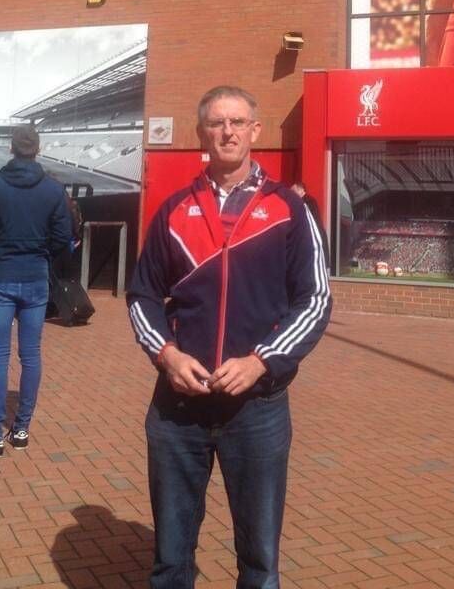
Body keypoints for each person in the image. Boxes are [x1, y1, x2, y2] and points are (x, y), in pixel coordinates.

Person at [128, 86, 331, 588]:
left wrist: (262, 361)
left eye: (238, 122)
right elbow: (141, 296)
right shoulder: (174, 210)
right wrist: (166, 355)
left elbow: (316, 299)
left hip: (256, 408)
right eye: (217, 123)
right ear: (202, 133)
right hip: (179, 409)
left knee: (260, 560)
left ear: (254, 131)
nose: (228, 132)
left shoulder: (288, 209)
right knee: (171, 557)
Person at [0, 124, 72, 458]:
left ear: (11, 148)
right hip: (35, 276)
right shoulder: (53, 189)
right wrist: (44, 257)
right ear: (37, 149)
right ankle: (21, 428)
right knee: (31, 354)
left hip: (1, 275)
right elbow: (63, 235)